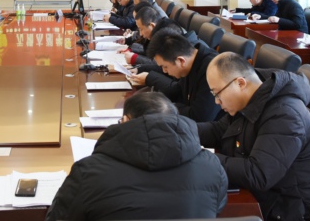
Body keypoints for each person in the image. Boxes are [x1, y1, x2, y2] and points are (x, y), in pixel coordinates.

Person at [198, 52, 310, 221]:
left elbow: (258, 174)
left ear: (240, 83)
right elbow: (218, 130)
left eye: (217, 93)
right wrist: (179, 131)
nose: (216, 101)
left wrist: (201, 157)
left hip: (302, 212)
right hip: (271, 200)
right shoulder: (251, 99)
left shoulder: (285, 113)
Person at [45, 92, 228, 221]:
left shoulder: (88, 172)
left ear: (126, 120)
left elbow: (59, 217)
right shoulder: (212, 168)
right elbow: (216, 208)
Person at [129, 30, 220, 122]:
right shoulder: (190, 60)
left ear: (181, 61)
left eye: (165, 67)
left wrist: (166, 108)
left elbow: (199, 117)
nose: (164, 71)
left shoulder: (212, 69)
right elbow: (178, 91)